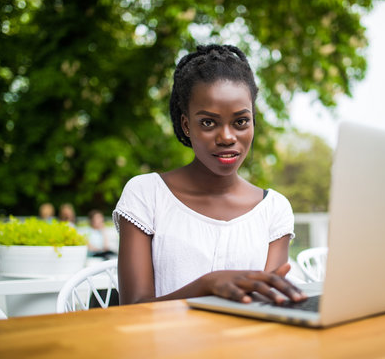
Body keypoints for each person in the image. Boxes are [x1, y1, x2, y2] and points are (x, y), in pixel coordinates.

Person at [113, 44, 306, 306]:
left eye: (240, 122)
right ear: (186, 125)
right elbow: (133, 307)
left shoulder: (274, 210)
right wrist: (208, 284)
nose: (227, 137)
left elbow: (270, 305)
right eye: (208, 122)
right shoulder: (147, 194)